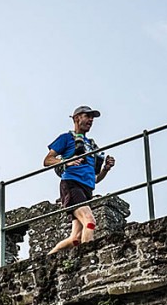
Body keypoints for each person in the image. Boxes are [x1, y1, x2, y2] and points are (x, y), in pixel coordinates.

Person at [44, 105, 116, 254]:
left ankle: (46, 259)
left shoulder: (91, 145)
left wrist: (105, 169)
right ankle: (88, 261)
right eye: (87, 116)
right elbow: (47, 160)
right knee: (90, 221)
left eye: (92, 117)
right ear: (77, 118)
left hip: (87, 189)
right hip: (71, 184)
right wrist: (66, 162)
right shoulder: (66, 138)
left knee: (75, 238)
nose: (91, 120)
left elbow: (95, 179)